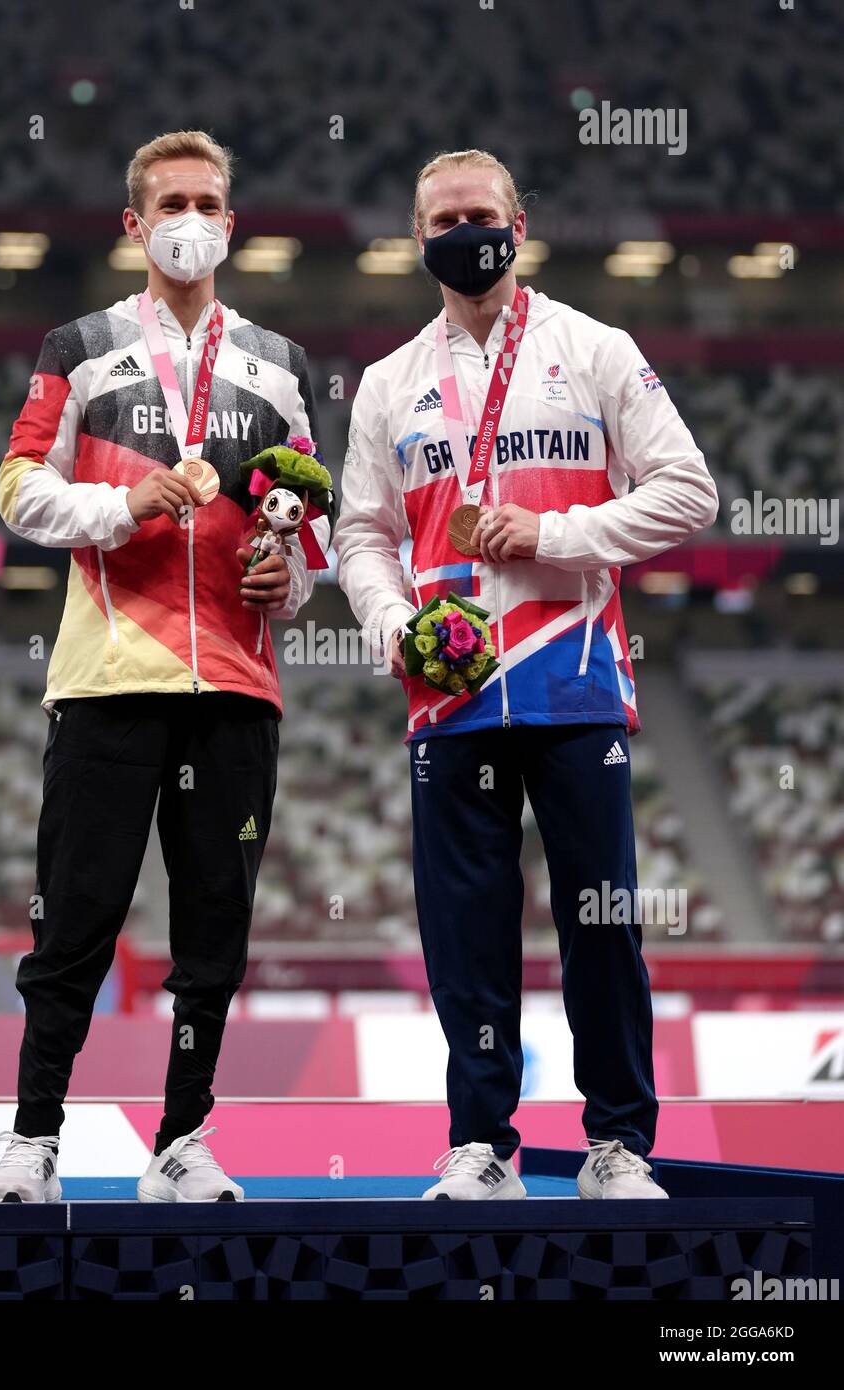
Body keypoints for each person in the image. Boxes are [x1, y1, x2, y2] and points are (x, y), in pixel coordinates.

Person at [334, 149, 718, 1200]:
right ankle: (480, 1143)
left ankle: (618, 1145)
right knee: (465, 933)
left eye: (481, 213)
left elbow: (687, 491)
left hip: (572, 677)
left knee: (599, 917)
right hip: (447, 691)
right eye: (442, 218)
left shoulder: (594, 349)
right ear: (418, 240)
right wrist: (390, 623)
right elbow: (358, 534)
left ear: (516, 221)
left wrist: (553, 532)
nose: (465, 232)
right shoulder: (387, 383)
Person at [0, 129, 332, 1204]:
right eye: (171, 201)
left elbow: (309, 529)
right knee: (75, 916)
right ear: (135, 224)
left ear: (232, 221)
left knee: (213, 930)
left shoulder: (279, 365)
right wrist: (123, 502)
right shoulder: (76, 346)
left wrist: (295, 582)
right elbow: (16, 491)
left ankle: (180, 1140)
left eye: (209, 201)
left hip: (235, 684)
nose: (192, 218)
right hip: (107, 678)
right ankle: (34, 1139)